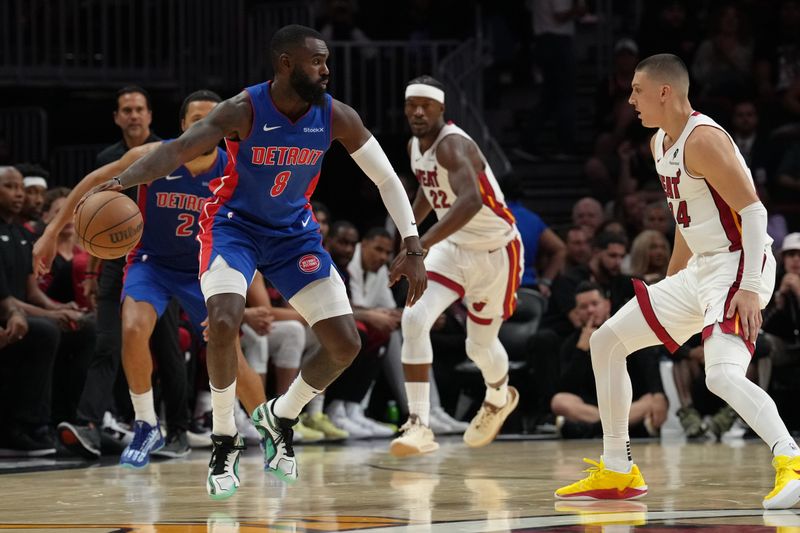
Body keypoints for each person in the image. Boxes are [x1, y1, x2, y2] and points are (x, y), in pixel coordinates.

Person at [87, 25, 426, 498]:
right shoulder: (243, 109)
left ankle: (279, 415)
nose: (326, 69)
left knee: (345, 344)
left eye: (327, 60)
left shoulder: (336, 117)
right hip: (233, 228)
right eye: (317, 60)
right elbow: (175, 152)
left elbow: (388, 181)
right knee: (224, 320)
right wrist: (124, 181)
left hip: (294, 236)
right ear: (285, 63)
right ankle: (225, 439)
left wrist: (412, 247)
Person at [555, 53, 800, 510]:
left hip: (739, 263)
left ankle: (791, 459)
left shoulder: (703, 138)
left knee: (721, 376)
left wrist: (748, 287)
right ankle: (618, 469)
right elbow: (686, 222)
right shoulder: (656, 144)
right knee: (607, 341)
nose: (629, 99)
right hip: (702, 269)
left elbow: (754, 211)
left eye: (636, 90)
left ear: (664, 91)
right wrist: (671, 283)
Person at [35, 90, 268, 468]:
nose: (204, 125)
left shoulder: (235, 171)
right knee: (132, 328)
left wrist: (233, 289)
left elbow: (251, 234)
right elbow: (94, 180)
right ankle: (146, 424)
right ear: (182, 126)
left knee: (231, 355)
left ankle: (271, 432)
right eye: (195, 119)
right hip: (151, 263)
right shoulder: (154, 157)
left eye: (212, 118)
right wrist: (50, 233)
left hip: (205, 269)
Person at [389, 75, 522, 457]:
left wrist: (419, 246)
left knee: (478, 346)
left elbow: (470, 203)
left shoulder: (454, 146)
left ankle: (498, 397)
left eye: (425, 106)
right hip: (454, 247)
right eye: (410, 104)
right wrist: (408, 233)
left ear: (441, 110)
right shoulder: (416, 147)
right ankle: (418, 425)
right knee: (413, 319)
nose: (416, 111)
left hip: (497, 251)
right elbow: (429, 192)